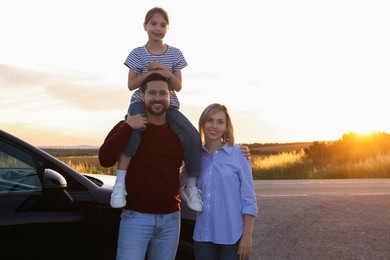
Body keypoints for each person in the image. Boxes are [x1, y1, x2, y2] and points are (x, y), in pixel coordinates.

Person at [111, 7, 203, 212]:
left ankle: (192, 186)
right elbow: (131, 84)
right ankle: (120, 184)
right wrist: (151, 72)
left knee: (192, 136)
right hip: (140, 102)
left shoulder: (175, 53)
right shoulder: (137, 53)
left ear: (167, 28)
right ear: (145, 26)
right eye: (153, 24)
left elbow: (177, 86)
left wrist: (162, 69)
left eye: (162, 25)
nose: (158, 28)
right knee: (133, 134)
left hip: (168, 104)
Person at [99, 73, 186, 260]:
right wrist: (128, 126)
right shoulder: (129, 125)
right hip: (136, 218)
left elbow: (200, 157)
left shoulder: (178, 132)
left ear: (170, 96)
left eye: (163, 93)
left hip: (170, 218)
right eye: (152, 93)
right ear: (143, 95)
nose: (157, 98)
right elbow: (105, 159)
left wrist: (235, 149)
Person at [183, 103, 258, 260]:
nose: (214, 126)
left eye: (220, 122)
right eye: (210, 120)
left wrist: (247, 236)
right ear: (203, 123)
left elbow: (249, 200)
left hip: (233, 237)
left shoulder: (238, 154)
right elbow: (179, 183)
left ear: (226, 127)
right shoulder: (196, 156)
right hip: (203, 237)